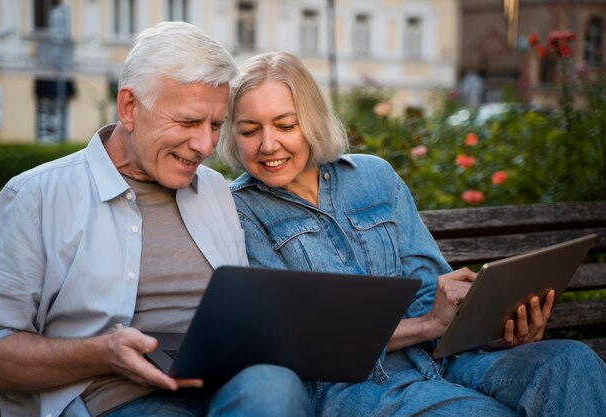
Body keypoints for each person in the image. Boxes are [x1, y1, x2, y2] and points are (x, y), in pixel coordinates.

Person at [218, 51, 606, 417]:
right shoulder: (240, 209)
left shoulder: (373, 176)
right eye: (250, 130)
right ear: (233, 135)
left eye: (285, 125)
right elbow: (305, 339)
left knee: (571, 362)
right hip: (356, 386)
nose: (269, 145)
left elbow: (429, 293)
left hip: (447, 360)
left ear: (312, 121)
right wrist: (427, 326)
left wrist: (495, 331)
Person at [0, 24, 312, 417]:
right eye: (188, 122)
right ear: (129, 108)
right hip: (117, 399)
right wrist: (103, 354)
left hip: (227, 387)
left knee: (277, 386)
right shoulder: (36, 196)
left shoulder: (217, 191)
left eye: (216, 125)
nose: (206, 146)